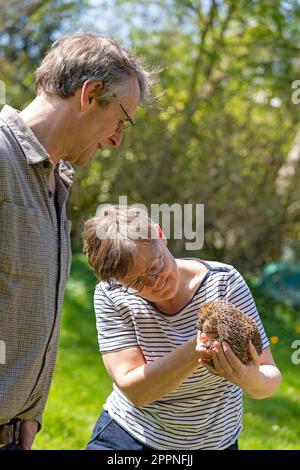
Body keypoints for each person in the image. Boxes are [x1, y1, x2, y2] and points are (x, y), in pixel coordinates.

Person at [0, 33, 152, 450]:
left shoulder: (55, 181)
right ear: (90, 95)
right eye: (121, 119)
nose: (118, 138)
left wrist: (26, 415)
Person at [82, 205, 282, 450]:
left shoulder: (223, 282)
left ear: (160, 234)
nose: (155, 283)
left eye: (156, 266)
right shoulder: (112, 294)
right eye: (136, 281)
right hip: (131, 437)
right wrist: (195, 350)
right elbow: (137, 392)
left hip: (214, 443)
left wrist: (249, 378)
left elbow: (269, 376)